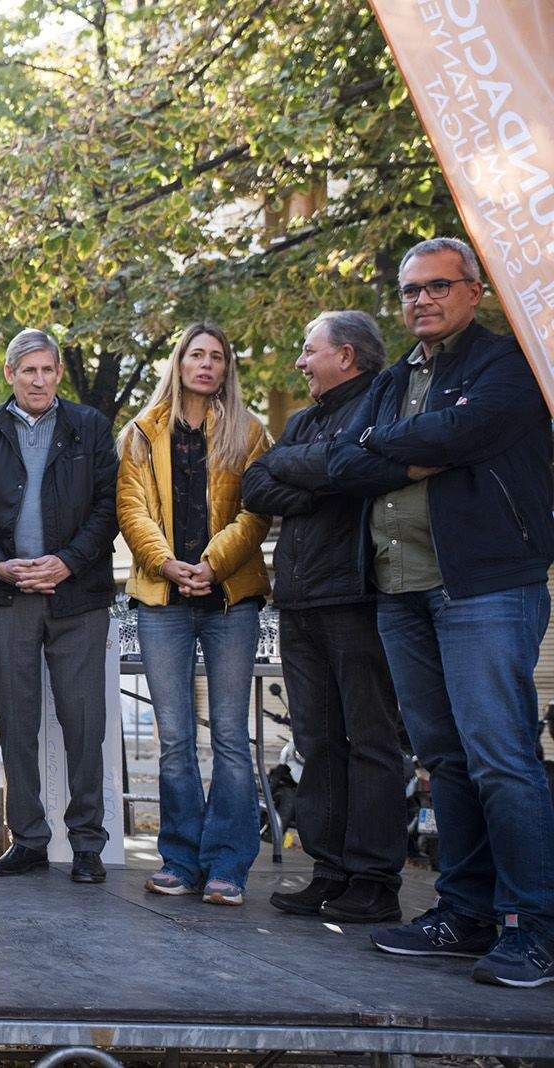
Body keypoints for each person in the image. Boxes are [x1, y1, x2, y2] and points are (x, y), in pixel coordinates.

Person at [328, 237, 554, 988]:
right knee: (445, 762)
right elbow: (342, 459)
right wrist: (402, 446)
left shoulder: (507, 360)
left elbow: (468, 431)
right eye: (409, 291)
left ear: (474, 291)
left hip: (484, 587)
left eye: (436, 287)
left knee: (502, 759)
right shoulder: (396, 378)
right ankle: (465, 913)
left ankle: (534, 927)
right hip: (401, 589)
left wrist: (401, 444)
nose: (421, 300)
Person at [241, 311, 407, 923]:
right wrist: (320, 481)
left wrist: (312, 470)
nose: (301, 363)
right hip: (300, 598)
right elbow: (255, 483)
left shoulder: (384, 401)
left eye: (309, 351)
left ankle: (374, 879)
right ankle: (329, 870)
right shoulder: (305, 421)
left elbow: (365, 468)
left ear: (348, 355)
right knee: (316, 743)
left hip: (357, 597)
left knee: (371, 741)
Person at [117, 322, 270, 907]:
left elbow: (257, 512)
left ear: (227, 369)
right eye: (196, 355)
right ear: (178, 363)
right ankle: (180, 860)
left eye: (218, 358)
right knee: (176, 737)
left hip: (231, 598)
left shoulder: (250, 432)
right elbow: (131, 509)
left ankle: (228, 865)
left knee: (231, 737)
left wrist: (209, 563)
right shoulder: (139, 433)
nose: (207, 365)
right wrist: (167, 563)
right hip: (162, 602)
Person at [0, 329, 118, 883]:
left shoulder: (90, 427)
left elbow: (109, 506)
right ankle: (27, 838)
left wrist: (68, 561)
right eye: (27, 370)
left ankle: (87, 843)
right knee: (16, 723)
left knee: (84, 722)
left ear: (57, 373)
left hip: (76, 594)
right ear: (9, 374)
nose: (38, 379)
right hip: (8, 593)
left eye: (47, 369)